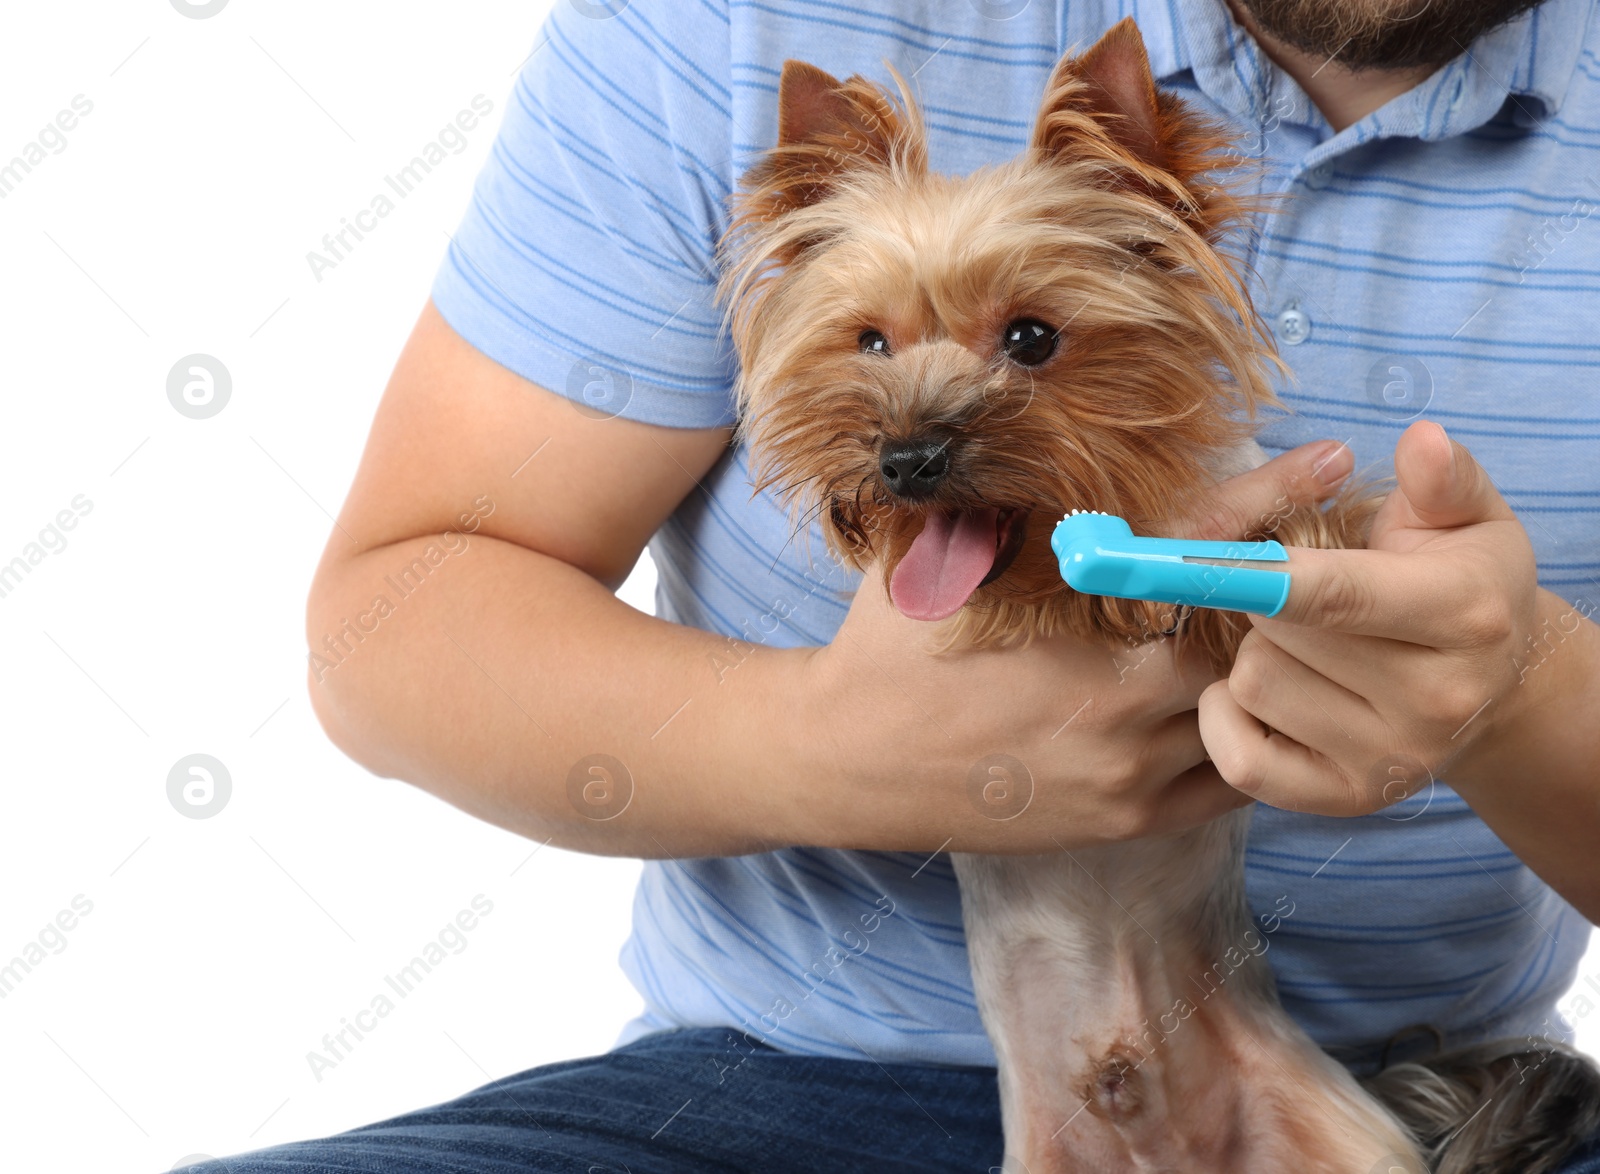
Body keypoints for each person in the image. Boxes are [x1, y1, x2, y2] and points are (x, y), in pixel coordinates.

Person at [211, 0, 1600, 1169]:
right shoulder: (726, 23)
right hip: (778, 1074)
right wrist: (824, 743)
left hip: (1377, 1077)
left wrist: (1520, 693)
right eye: (870, 345)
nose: (922, 425)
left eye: (1033, 340)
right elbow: (389, 625)